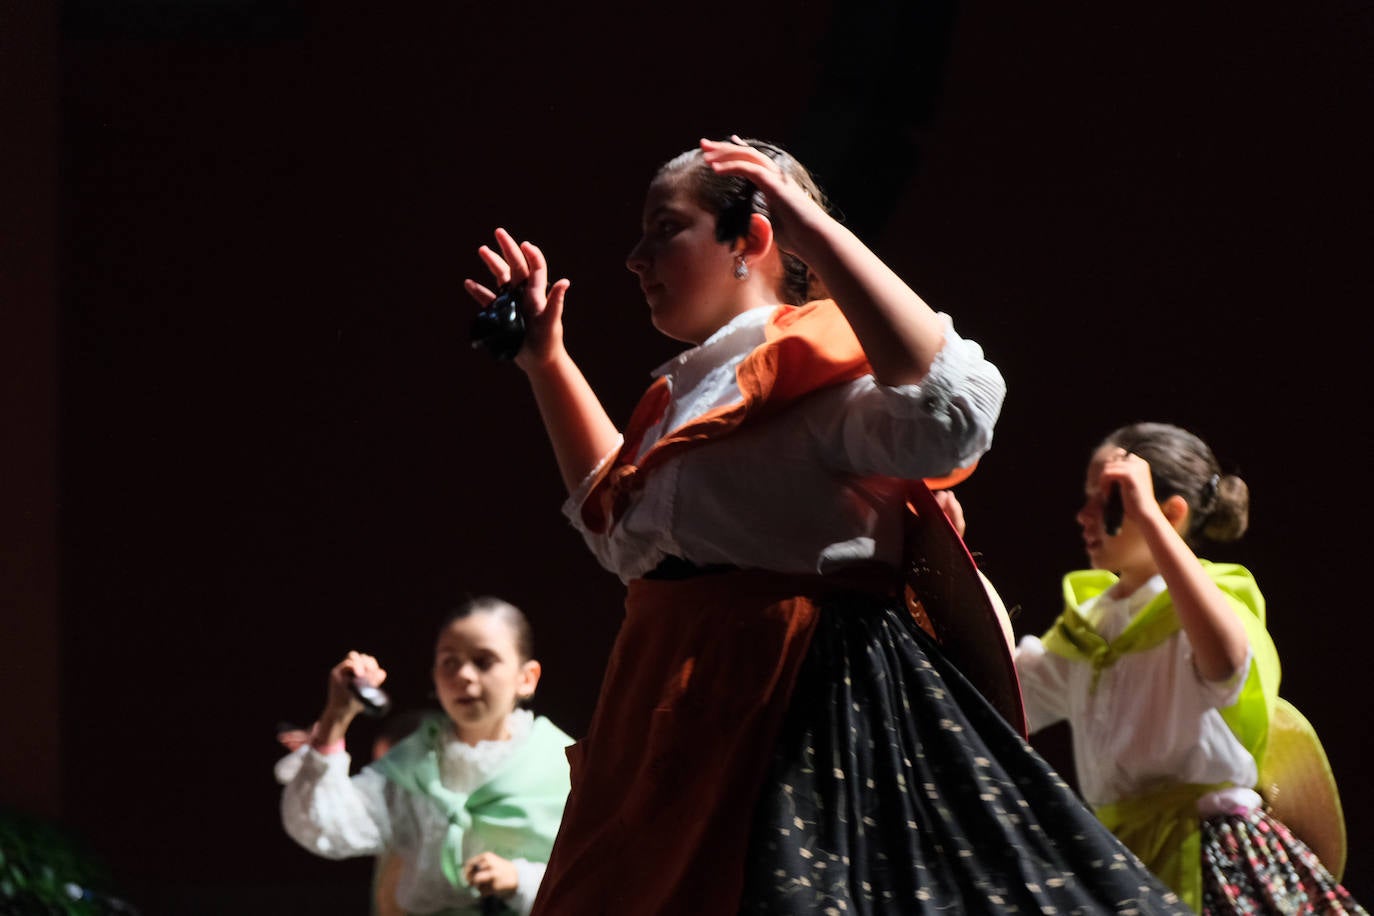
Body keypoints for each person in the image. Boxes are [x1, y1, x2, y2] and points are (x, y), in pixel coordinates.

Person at [462, 135, 1194, 913]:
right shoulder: (688, 395)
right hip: (669, 708)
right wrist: (546, 362)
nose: (636, 257)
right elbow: (622, 538)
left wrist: (815, 227)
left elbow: (956, 413)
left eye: (665, 227)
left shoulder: (819, 370)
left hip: (789, 711)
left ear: (753, 236)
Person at [1014, 422, 1365, 913]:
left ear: (1169, 512)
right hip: (1118, 856)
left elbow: (1224, 661)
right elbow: (1009, 694)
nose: (1084, 515)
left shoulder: (1214, 601)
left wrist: (1148, 518)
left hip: (1209, 853)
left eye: (1107, 500)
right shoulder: (1091, 627)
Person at [279, 596, 573, 915]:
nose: (464, 675)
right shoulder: (413, 762)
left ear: (526, 677)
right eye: (450, 662)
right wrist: (336, 716)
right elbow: (325, 827)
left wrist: (521, 879)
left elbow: (600, 876)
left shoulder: (564, 766)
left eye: (484, 661)